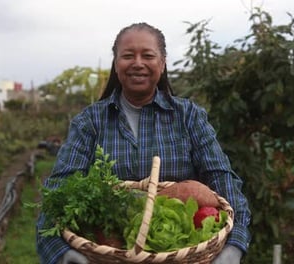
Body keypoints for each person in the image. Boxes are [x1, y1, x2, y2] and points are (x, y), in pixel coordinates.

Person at [36, 22, 251, 264]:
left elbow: (222, 179)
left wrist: (234, 246)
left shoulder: (188, 116)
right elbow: (58, 190)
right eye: (128, 56)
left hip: (181, 253)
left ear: (162, 63)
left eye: (148, 55)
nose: (138, 63)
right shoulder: (90, 121)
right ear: (116, 65)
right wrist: (61, 252)